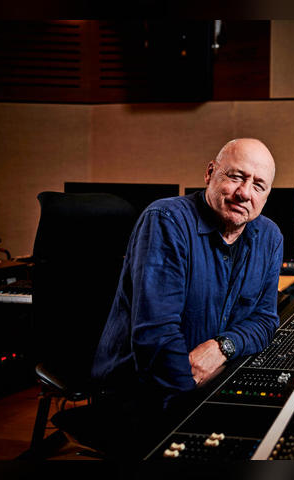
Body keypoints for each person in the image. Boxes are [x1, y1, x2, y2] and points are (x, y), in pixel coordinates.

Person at [91, 138, 283, 412]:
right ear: (209, 173)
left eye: (258, 185)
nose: (244, 192)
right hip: (142, 390)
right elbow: (156, 336)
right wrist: (191, 413)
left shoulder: (269, 237)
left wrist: (223, 347)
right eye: (236, 177)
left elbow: (264, 321)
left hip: (214, 378)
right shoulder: (166, 220)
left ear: (266, 196)